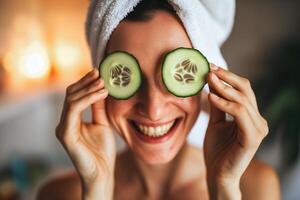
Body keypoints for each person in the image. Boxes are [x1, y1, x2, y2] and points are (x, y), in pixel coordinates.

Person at [38, 1, 280, 199]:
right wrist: (97, 189)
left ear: (205, 82)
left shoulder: (255, 189)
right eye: (126, 77)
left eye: (176, 75)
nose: (153, 110)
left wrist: (224, 189)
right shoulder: (58, 194)